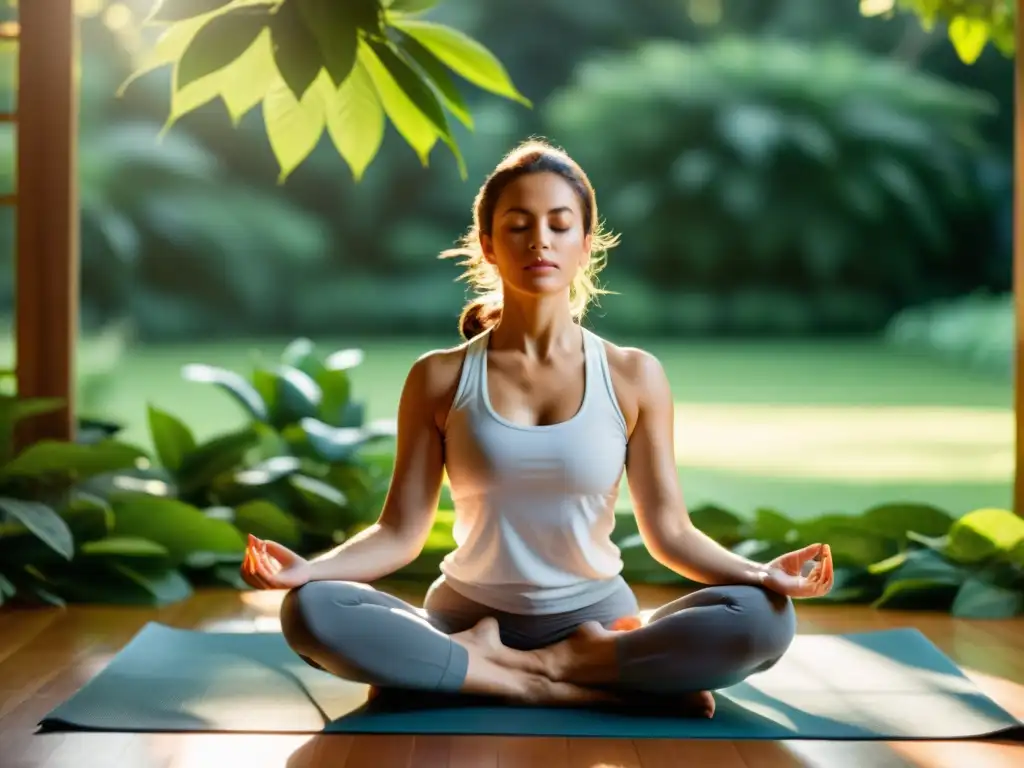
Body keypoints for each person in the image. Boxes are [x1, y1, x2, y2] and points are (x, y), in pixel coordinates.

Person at [240, 138, 834, 717]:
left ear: (585, 243)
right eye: (519, 224)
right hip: (465, 621)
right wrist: (308, 571)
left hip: (600, 623)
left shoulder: (633, 375)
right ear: (489, 244)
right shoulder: (438, 377)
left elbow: (670, 532)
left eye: (559, 223)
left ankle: (478, 678)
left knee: (764, 620)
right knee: (311, 611)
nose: (539, 240)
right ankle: (578, 684)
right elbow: (399, 532)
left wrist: (762, 574)